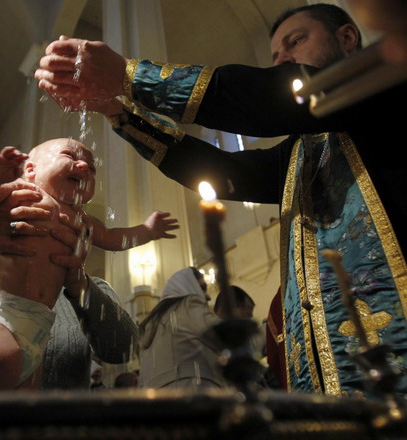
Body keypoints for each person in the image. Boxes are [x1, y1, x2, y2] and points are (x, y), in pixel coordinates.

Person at [35, 4, 407, 398]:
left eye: (295, 42)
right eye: (275, 55)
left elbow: (270, 97)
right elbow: (216, 170)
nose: (282, 60)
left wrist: (130, 76)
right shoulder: (301, 157)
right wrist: (119, 111)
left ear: (348, 38)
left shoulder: (385, 85)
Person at [0, 138, 174, 390]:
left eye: (92, 167)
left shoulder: (83, 219)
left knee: (26, 396)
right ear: (31, 170)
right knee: (3, 359)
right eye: (71, 155)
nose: (85, 166)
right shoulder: (22, 193)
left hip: (38, 325)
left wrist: (146, 230)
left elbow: (113, 238)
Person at [0, 185, 138, 390]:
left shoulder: (91, 289)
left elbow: (122, 350)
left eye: (63, 222)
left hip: (53, 423)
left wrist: (79, 285)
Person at [137, 267, 224, 389]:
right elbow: (228, 337)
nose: (208, 296)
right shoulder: (189, 305)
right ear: (188, 285)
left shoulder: (149, 325)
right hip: (190, 395)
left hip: (154, 402)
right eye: (203, 288)